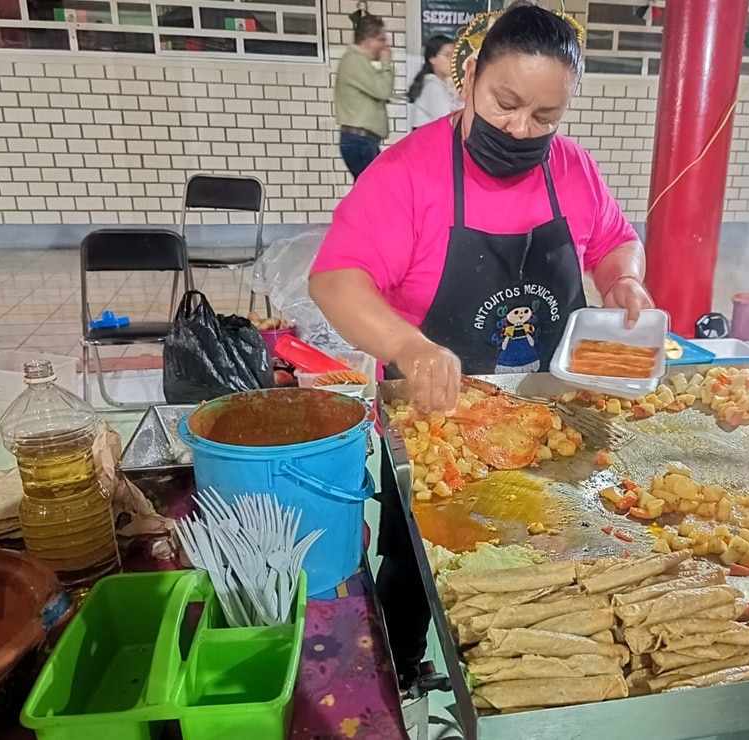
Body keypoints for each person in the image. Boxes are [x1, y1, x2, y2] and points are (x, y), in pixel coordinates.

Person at [309, 1, 653, 688]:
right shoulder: (407, 173)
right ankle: (401, 673)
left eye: (545, 117)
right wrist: (410, 347)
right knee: (415, 559)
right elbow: (336, 281)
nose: (521, 129)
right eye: (505, 104)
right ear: (468, 79)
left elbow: (615, 241)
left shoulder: (573, 169)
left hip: (556, 414)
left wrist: (625, 284)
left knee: (557, 543)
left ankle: (535, 671)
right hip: (438, 417)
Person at [335, 14, 394, 180]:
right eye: (381, 39)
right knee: (375, 194)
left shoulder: (357, 61)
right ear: (369, 41)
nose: (385, 46)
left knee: (370, 194)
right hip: (359, 141)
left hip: (362, 141)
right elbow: (383, 90)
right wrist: (386, 64)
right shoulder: (355, 61)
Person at [408, 34, 463, 130]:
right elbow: (448, 120)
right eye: (447, 55)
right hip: (427, 142)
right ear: (432, 58)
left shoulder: (448, 83)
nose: (453, 61)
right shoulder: (432, 86)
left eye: (455, 56)